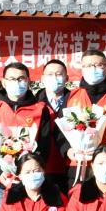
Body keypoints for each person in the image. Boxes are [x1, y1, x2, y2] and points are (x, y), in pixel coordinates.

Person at [0, 62, 54, 207]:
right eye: (12, 79)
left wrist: (29, 171)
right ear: (4, 82)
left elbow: (44, 145)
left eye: (21, 79)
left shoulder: (40, 109)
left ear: (28, 81)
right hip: (0, 181)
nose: (17, 82)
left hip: (30, 182)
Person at [64, 50, 106, 182]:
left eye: (98, 65)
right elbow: (60, 131)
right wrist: (68, 151)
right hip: (78, 165)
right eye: (88, 66)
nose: (93, 69)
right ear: (82, 69)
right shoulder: (71, 96)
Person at [36, 59, 72, 193]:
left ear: (67, 78)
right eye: (50, 74)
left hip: (70, 165)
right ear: (42, 79)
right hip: (42, 167)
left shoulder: (76, 101)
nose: (54, 78)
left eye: (59, 74)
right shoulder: (33, 104)